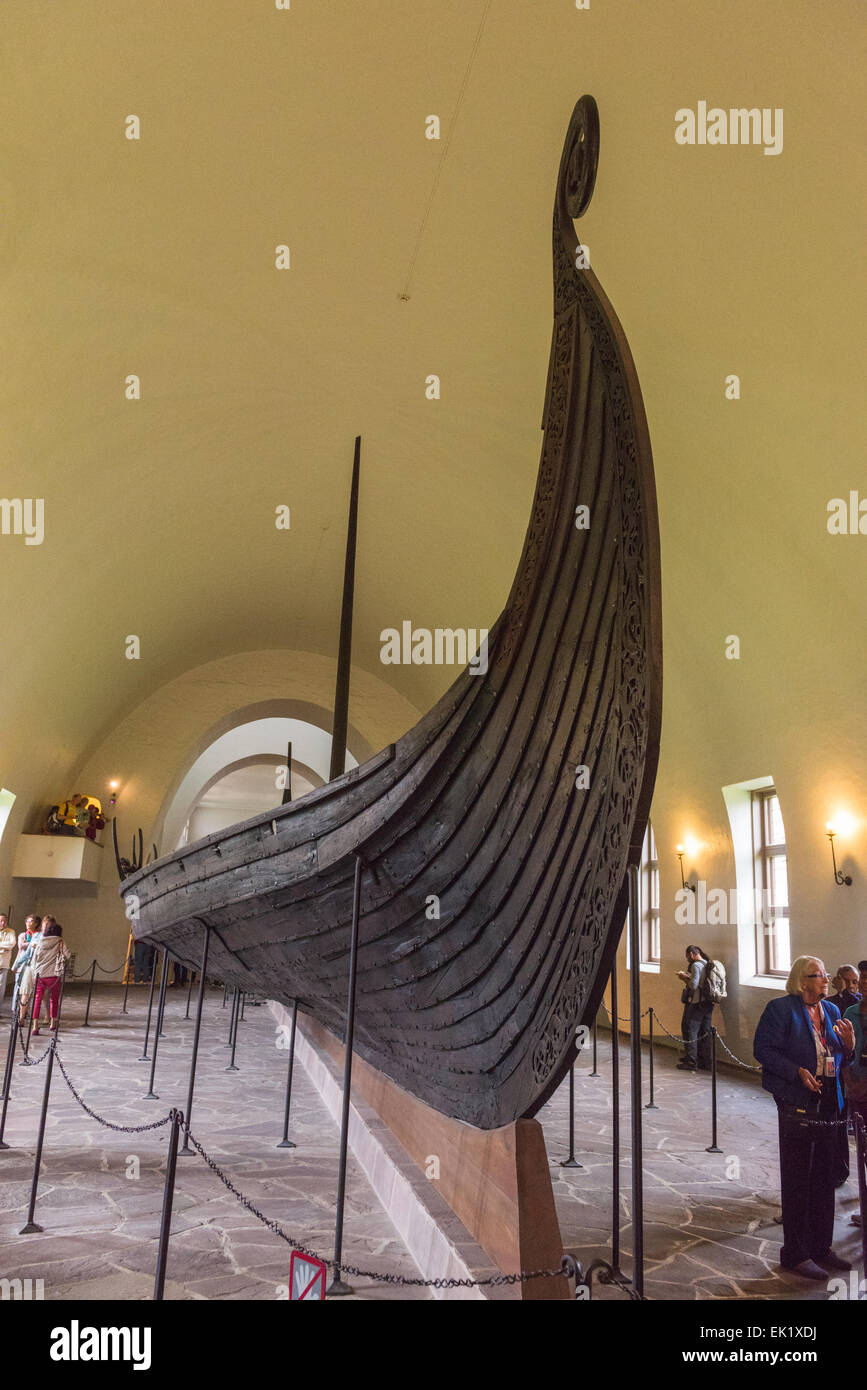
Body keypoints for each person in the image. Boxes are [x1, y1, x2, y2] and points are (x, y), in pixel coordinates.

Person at [753, 954, 856, 1279]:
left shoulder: (832, 1011)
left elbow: (839, 1055)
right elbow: (763, 1050)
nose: (826, 979)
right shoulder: (780, 1009)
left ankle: (821, 1247)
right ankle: (795, 1253)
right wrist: (796, 1072)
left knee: (825, 1178)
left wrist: (850, 1046)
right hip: (796, 1101)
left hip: (829, 1102)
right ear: (801, 980)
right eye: (818, 974)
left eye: (825, 974)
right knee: (799, 1178)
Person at [676, 945, 713, 1071]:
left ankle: (691, 1061)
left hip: (698, 1003)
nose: (687, 959)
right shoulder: (707, 963)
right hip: (709, 1003)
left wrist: (683, 978)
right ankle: (705, 1061)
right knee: (705, 1032)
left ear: (691, 954)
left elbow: (693, 985)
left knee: (691, 1030)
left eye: (687, 956)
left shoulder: (696, 965)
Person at [30, 920, 70, 1034]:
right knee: (54, 999)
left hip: (40, 975)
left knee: (37, 999)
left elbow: (34, 960)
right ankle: (52, 1023)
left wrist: (34, 974)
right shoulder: (60, 941)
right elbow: (67, 955)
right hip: (54, 975)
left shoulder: (40, 941)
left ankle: (35, 1026)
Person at [0, 914, 17, 1013]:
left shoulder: (11, 932)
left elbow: (11, 944)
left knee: (1, 989)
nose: (2, 923)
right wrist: (3, 948)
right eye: (1, 921)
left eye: (4, 921)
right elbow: (6, 946)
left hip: (3, 964)